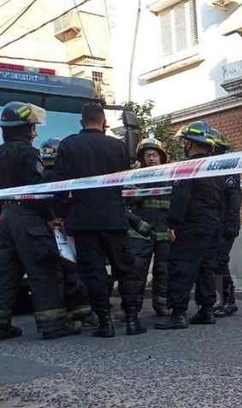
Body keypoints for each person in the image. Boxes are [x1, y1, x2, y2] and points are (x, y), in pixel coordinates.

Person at [50, 102, 145, 338]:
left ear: (82, 122)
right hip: (114, 216)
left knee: (93, 271)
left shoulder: (69, 145)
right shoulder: (117, 146)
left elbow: (59, 184)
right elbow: (123, 181)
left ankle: (105, 322)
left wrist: (59, 214)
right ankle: (132, 319)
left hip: (83, 220)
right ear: (104, 122)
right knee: (124, 268)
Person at [0, 102, 79, 341]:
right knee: (44, 268)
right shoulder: (28, 153)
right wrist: (49, 217)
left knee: (5, 272)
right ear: (22, 129)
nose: (35, 133)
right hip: (28, 217)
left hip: (6, 217)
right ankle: (53, 324)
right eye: (32, 127)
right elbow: (37, 190)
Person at [155, 121, 235, 330]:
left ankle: (178, 314)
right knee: (206, 268)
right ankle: (206, 310)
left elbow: (181, 197)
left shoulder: (187, 167)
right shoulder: (216, 168)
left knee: (182, 266)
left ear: (190, 144)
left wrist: (172, 223)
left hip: (191, 225)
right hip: (212, 225)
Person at [40, 137, 94, 328]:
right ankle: (81, 312)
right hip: (63, 228)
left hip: (46, 230)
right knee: (72, 270)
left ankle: (71, 313)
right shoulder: (61, 177)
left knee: (58, 273)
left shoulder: (40, 177)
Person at [192, 129, 242, 317]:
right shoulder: (214, 167)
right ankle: (223, 299)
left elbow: (234, 198)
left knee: (219, 262)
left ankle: (229, 300)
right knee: (214, 262)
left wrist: (230, 223)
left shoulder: (227, 167)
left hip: (225, 223)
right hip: (215, 223)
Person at [127, 137, 172, 317]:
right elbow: (127, 199)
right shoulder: (134, 176)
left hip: (164, 229)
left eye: (154, 155)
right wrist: (144, 183)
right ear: (142, 158)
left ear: (161, 156)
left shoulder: (171, 175)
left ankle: (162, 305)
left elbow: (177, 202)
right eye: (148, 155)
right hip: (140, 229)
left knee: (164, 270)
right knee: (136, 270)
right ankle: (131, 308)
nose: (152, 158)